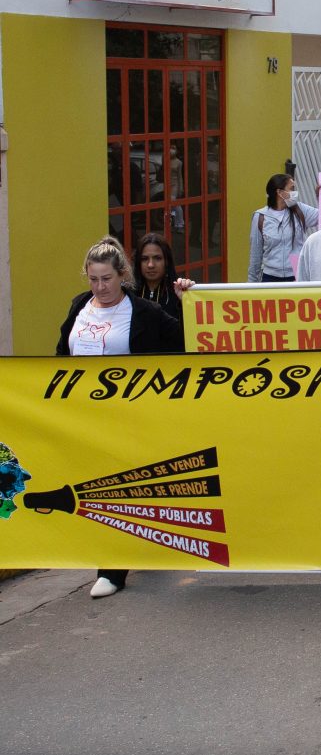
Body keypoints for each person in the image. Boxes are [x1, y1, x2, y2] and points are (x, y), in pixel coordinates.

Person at [56, 237, 192, 599]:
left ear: (122, 275)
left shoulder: (144, 312)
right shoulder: (79, 306)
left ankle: (111, 570)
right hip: (85, 415)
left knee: (115, 488)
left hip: (129, 416)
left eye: (106, 279)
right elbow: (61, 354)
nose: (100, 287)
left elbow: (185, 342)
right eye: (93, 279)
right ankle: (137, 546)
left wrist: (188, 305)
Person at [248, 173, 319, 282]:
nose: (295, 193)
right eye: (292, 189)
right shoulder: (260, 217)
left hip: (296, 274)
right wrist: (251, 284)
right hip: (270, 277)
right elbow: (255, 255)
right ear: (280, 193)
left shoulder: (300, 210)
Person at [132, 233, 181, 320]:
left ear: (166, 261)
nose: (150, 265)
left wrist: (185, 299)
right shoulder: (128, 293)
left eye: (157, 258)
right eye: (144, 259)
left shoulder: (177, 292)